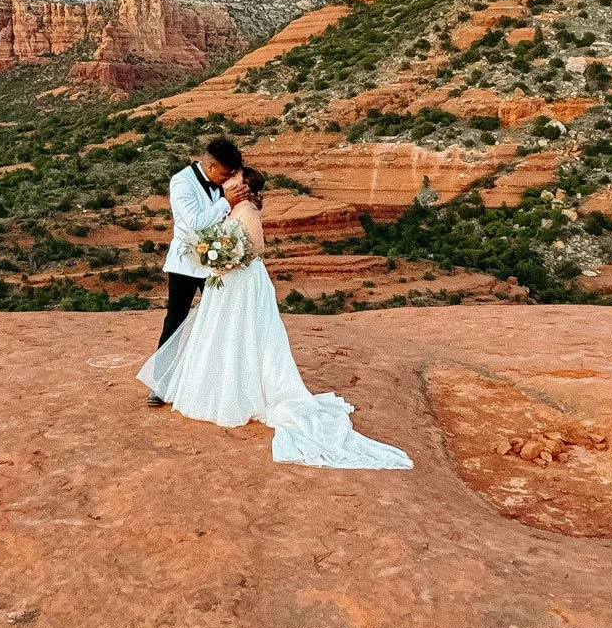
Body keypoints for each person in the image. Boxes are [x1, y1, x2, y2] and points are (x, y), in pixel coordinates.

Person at [139, 166, 411, 470]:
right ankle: (219, 382)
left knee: (243, 333)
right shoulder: (230, 205)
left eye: (235, 178)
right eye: (228, 176)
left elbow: (257, 248)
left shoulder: (247, 210)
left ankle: (239, 388)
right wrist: (218, 255)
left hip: (240, 279)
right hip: (227, 279)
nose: (229, 180)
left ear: (245, 187)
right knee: (225, 332)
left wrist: (228, 258)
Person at [147, 137, 248, 406]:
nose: (226, 179)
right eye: (225, 174)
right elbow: (194, 224)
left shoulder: (222, 182)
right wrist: (226, 202)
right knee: (175, 321)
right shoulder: (181, 182)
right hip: (185, 265)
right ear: (211, 166)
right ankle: (160, 384)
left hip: (216, 265)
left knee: (220, 320)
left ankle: (216, 383)